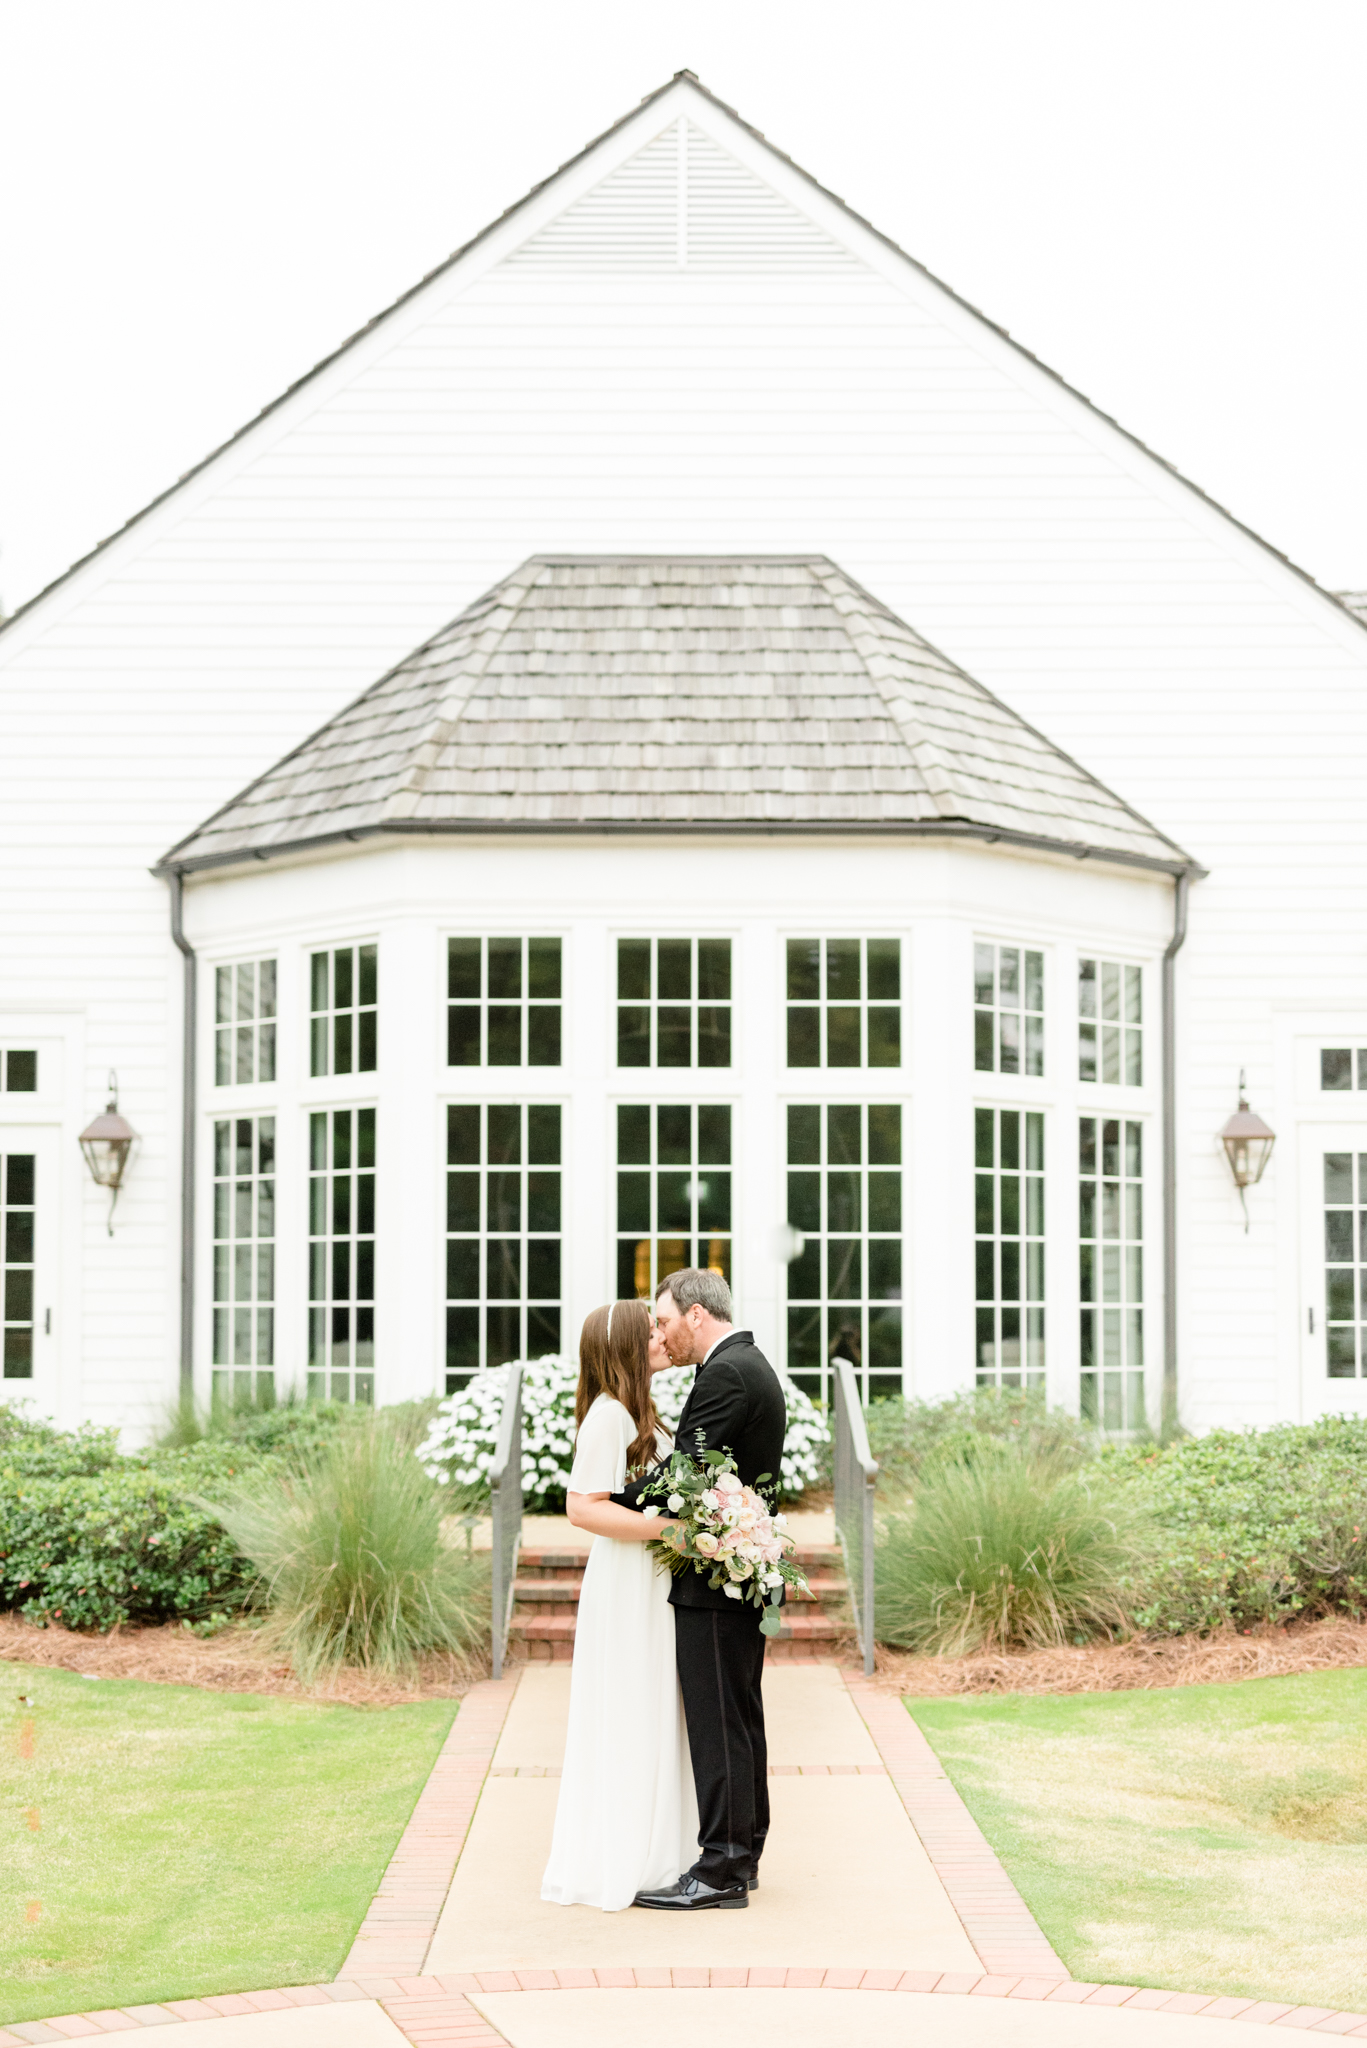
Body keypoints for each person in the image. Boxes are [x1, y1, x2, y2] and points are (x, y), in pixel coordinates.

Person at [617, 1268, 787, 1913]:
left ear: (694, 1314)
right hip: (741, 1573)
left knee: (720, 1723)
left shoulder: (726, 1372)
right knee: (738, 1718)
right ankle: (744, 1851)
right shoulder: (746, 1364)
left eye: (662, 1322)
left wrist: (612, 1500)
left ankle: (721, 1869)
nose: (658, 1334)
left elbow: (687, 1471)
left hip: (720, 1581)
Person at [540, 1297, 698, 1911]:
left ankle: (662, 1846)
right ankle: (626, 1852)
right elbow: (583, 1506)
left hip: (648, 1579)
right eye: (652, 1329)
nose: (662, 1335)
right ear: (627, 1347)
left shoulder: (641, 1412)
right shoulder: (608, 1417)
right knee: (632, 1704)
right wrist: (670, 1532)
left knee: (656, 1703)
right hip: (626, 1582)